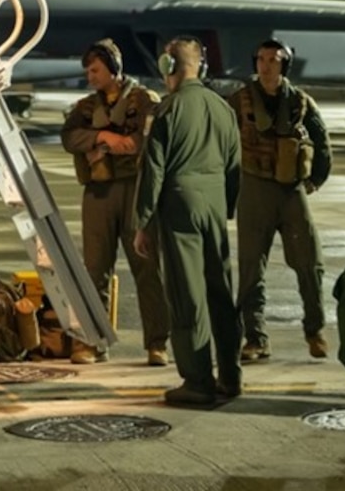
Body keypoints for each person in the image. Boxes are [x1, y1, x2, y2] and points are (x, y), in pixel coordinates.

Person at [132, 37, 243, 407]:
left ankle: (197, 380)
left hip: (179, 206)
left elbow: (153, 171)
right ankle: (231, 374)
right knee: (220, 292)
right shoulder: (223, 108)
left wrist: (143, 221)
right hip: (214, 203)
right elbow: (234, 166)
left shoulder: (167, 110)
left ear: (168, 67)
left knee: (187, 295)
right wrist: (224, 207)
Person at [58, 39, 171, 366]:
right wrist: (103, 138)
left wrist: (120, 144)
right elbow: (69, 138)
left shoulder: (144, 101)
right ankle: (92, 342)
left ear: (113, 68)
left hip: (136, 192)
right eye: (87, 71)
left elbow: (144, 142)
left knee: (147, 268)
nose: (90, 76)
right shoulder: (85, 107)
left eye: (95, 70)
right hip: (99, 193)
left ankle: (156, 343)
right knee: (94, 270)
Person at [228, 38, 334, 363]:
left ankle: (315, 330)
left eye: (273, 60)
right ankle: (256, 337)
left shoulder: (301, 103)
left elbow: (322, 143)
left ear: (284, 64)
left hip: (291, 191)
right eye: (261, 59)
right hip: (255, 189)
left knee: (309, 262)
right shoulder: (239, 101)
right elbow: (222, 143)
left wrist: (314, 181)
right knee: (250, 267)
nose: (266, 65)